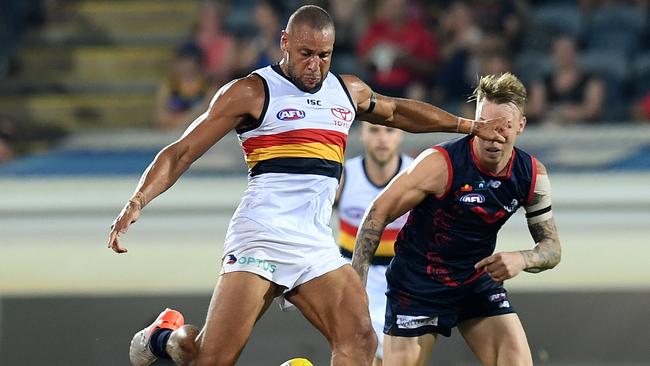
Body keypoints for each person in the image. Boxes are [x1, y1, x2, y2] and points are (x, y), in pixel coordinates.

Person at [108, 6, 507, 366]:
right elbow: (181, 152)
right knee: (208, 358)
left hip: (314, 243)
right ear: (284, 43)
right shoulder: (251, 91)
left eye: (324, 55)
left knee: (361, 339)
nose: (315, 65)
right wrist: (138, 199)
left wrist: (468, 125)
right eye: (305, 54)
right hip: (260, 236)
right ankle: (163, 335)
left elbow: (398, 111)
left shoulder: (345, 91)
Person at [352, 73, 561, 366]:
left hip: (474, 281)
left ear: (521, 126)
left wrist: (522, 259)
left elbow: (552, 248)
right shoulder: (440, 164)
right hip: (417, 285)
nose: (493, 136)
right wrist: (355, 291)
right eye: (485, 125)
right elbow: (377, 213)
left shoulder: (531, 175)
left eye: (504, 127)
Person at [334, 122, 412, 366]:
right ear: (361, 133)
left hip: (402, 279)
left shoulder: (416, 173)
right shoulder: (344, 175)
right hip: (355, 278)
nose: (382, 138)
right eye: (374, 130)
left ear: (400, 134)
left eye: (389, 130)